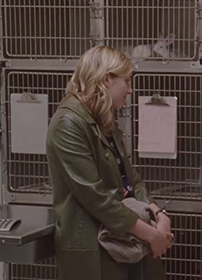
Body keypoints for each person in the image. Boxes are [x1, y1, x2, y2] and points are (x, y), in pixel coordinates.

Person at [46, 46, 173, 280]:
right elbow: (96, 198)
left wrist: (159, 214)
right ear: (106, 79)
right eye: (127, 81)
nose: (130, 90)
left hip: (128, 238)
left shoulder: (103, 119)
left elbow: (130, 177)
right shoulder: (68, 123)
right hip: (96, 245)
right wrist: (151, 235)